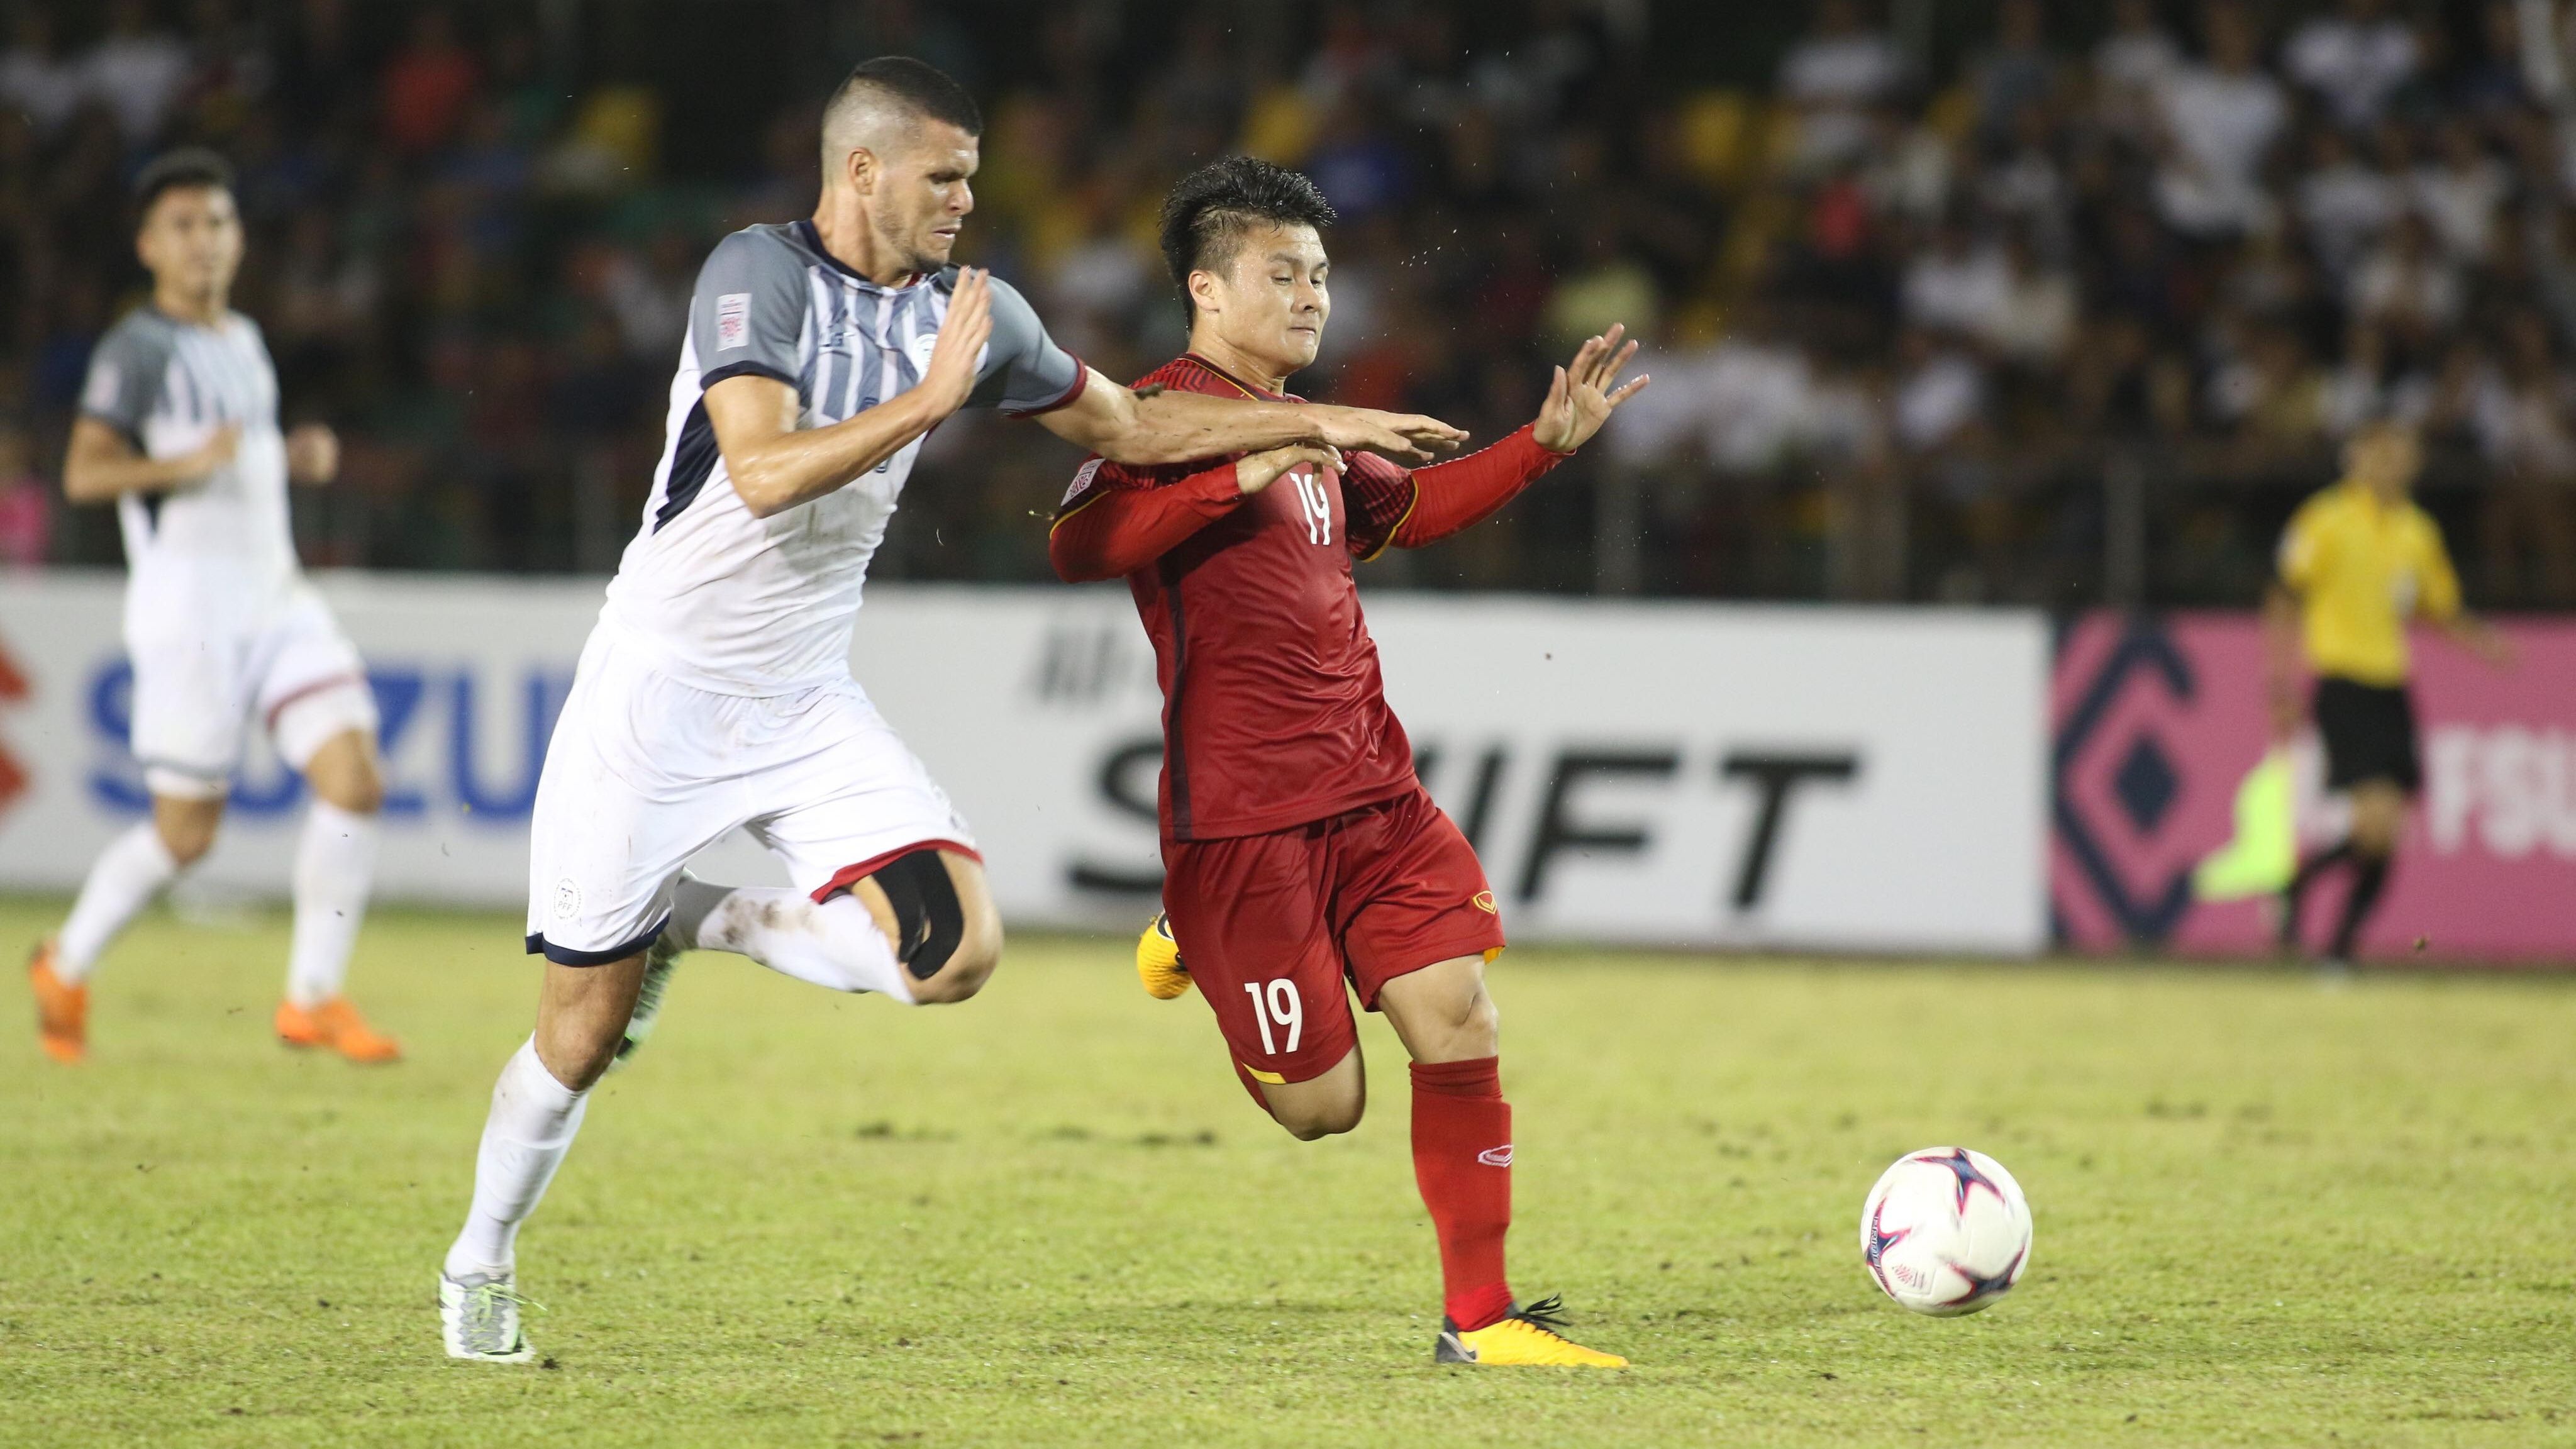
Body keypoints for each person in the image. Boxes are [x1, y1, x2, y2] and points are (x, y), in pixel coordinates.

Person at [436, 60, 1463, 1364]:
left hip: (803, 701)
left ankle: (714, 921)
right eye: (944, 177)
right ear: (861, 170)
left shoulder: (976, 310)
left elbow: (1139, 431)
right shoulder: (756, 275)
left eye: (972, 176)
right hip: (655, 694)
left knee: (955, 959)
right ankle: (481, 1259)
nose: (966, 201)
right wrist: (931, 399)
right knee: (577, 1039)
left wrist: (1320, 418)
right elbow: (755, 472)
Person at [1049, 157, 1646, 1368]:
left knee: (1460, 1018)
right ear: (1209, 290)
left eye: (1322, 275)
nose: (1313, 298)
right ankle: (1197, 933)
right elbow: (1079, 545)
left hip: (1374, 789)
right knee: (1323, 1107)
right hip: (1244, 823)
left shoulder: (1322, 428)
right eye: (1285, 274)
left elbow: (1405, 513)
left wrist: (1542, 443)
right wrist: (1249, 465)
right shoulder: (1154, 414)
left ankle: (1479, 1319)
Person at [30, 148, 396, 1067]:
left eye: (219, 224)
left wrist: (291, 455)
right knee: (187, 836)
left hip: (276, 598)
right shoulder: (137, 349)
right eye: (185, 227)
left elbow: (243, 456)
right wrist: (183, 465)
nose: (205, 242)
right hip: (189, 614)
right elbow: (84, 472)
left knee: (354, 780)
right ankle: (65, 963)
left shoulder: (244, 341)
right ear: (149, 245)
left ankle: (312, 997)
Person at [2269, 420, 2511, 967]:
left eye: (2401, 456)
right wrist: (2281, 682)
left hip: (2392, 686)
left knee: (2386, 835)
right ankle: (2332, 941)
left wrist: (2485, 644)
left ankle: (2315, 916)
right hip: (2343, 681)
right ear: (2356, 458)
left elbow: (2438, 607)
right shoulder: (2325, 520)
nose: (2390, 465)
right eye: (2380, 454)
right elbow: (2285, 596)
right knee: (2374, 824)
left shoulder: (2417, 532)